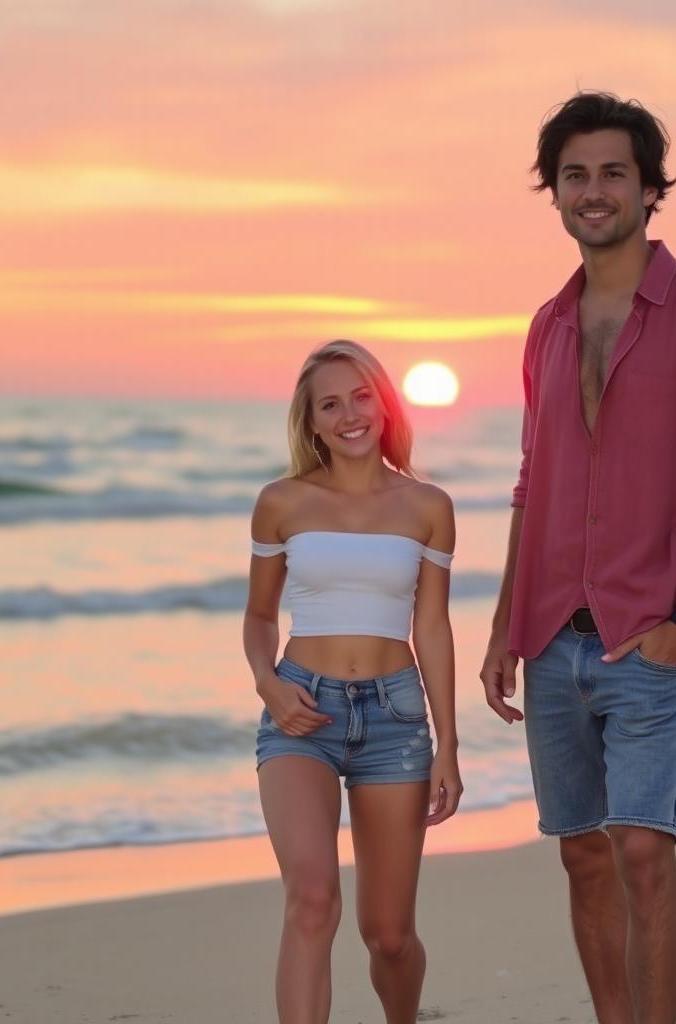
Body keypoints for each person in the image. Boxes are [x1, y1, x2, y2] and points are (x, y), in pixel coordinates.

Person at [480, 92, 676, 1024]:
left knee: (643, 850)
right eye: (576, 175)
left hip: (649, 632)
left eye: (614, 173)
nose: (594, 191)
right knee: (580, 853)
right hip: (551, 635)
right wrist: (500, 628)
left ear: (651, 190)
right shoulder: (546, 326)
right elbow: (535, 483)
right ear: (555, 193)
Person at [244, 339, 461, 1024]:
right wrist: (267, 684)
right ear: (310, 423)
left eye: (361, 396)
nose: (348, 415)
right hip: (301, 709)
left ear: (385, 401)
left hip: (396, 719)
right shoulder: (281, 501)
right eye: (329, 404)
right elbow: (257, 614)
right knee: (312, 900)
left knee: (389, 936)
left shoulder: (428, 505)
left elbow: (431, 627)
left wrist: (448, 745)